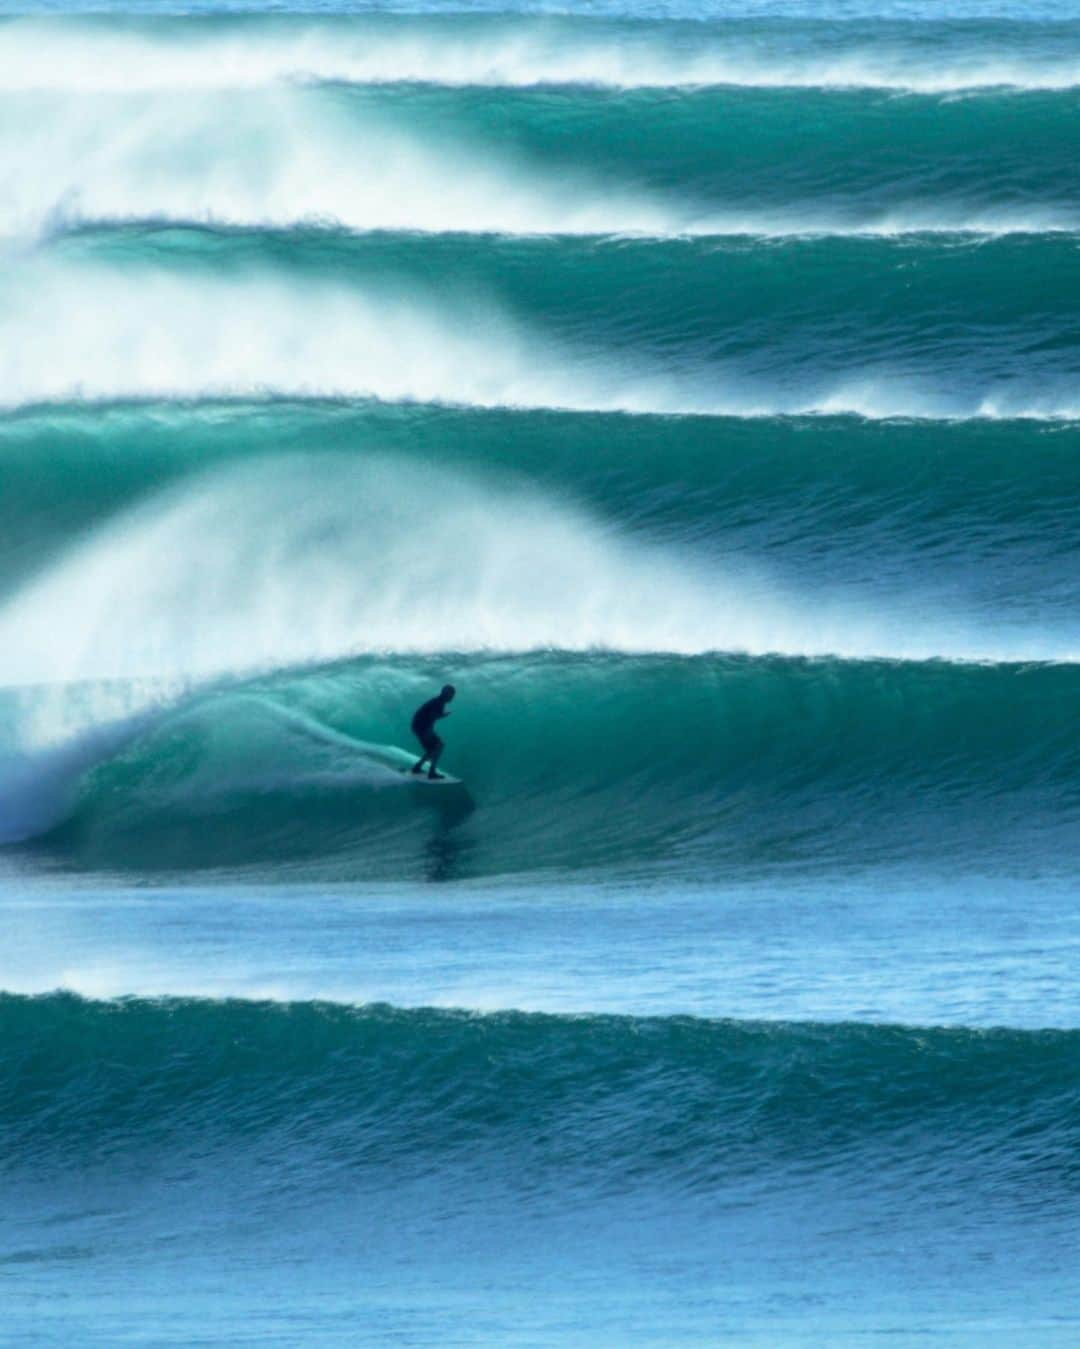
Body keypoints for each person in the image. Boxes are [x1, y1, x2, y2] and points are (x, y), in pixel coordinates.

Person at [410, 684, 456, 779]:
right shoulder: (438, 702)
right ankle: (431, 772)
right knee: (438, 746)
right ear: (445, 694)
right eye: (451, 695)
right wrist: (443, 715)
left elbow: (430, 716)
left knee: (434, 748)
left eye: (453, 695)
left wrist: (441, 715)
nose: (452, 697)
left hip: (419, 726)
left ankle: (418, 767)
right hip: (421, 727)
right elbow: (432, 716)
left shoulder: (439, 701)